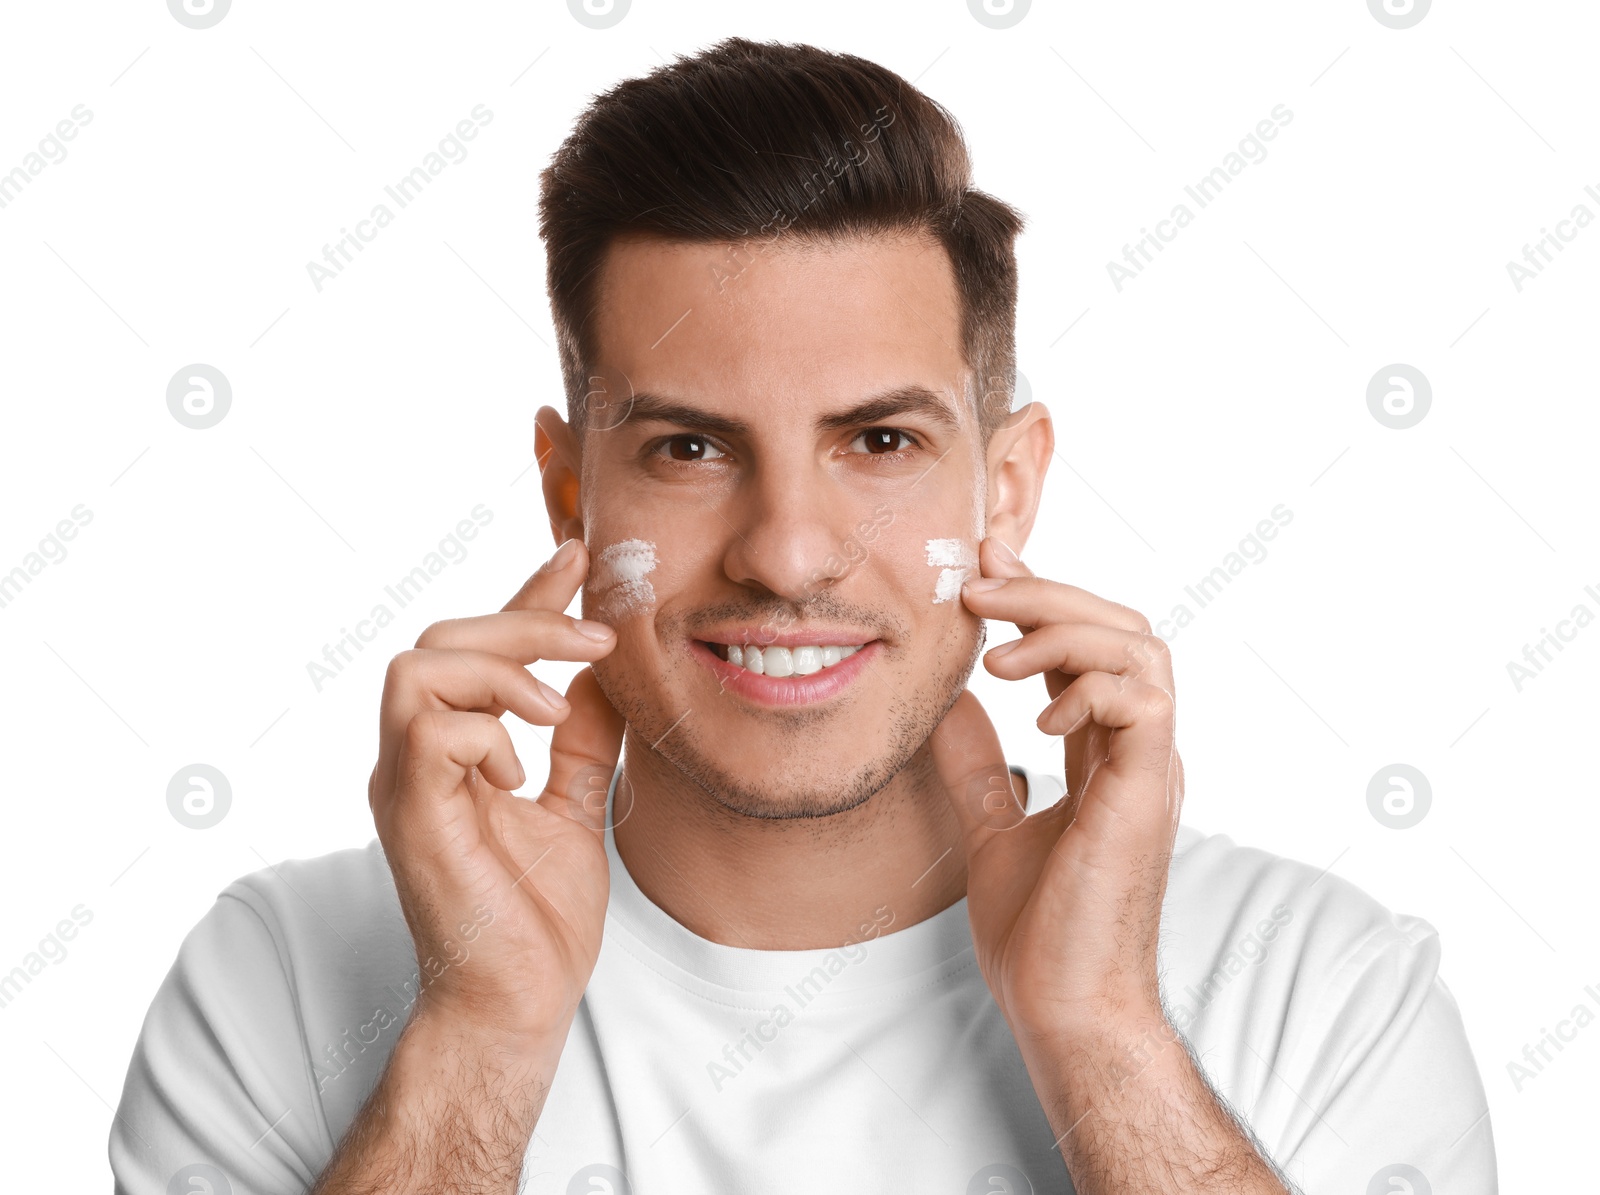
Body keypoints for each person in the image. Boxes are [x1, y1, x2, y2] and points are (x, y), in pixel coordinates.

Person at [109, 36, 1495, 1194]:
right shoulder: (280, 983)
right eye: (691, 451)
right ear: (569, 490)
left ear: (1005, 492)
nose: (787, 555)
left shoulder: (1323, 989)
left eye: (880, 443)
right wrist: (478, 1033)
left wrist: (1103, 1038)